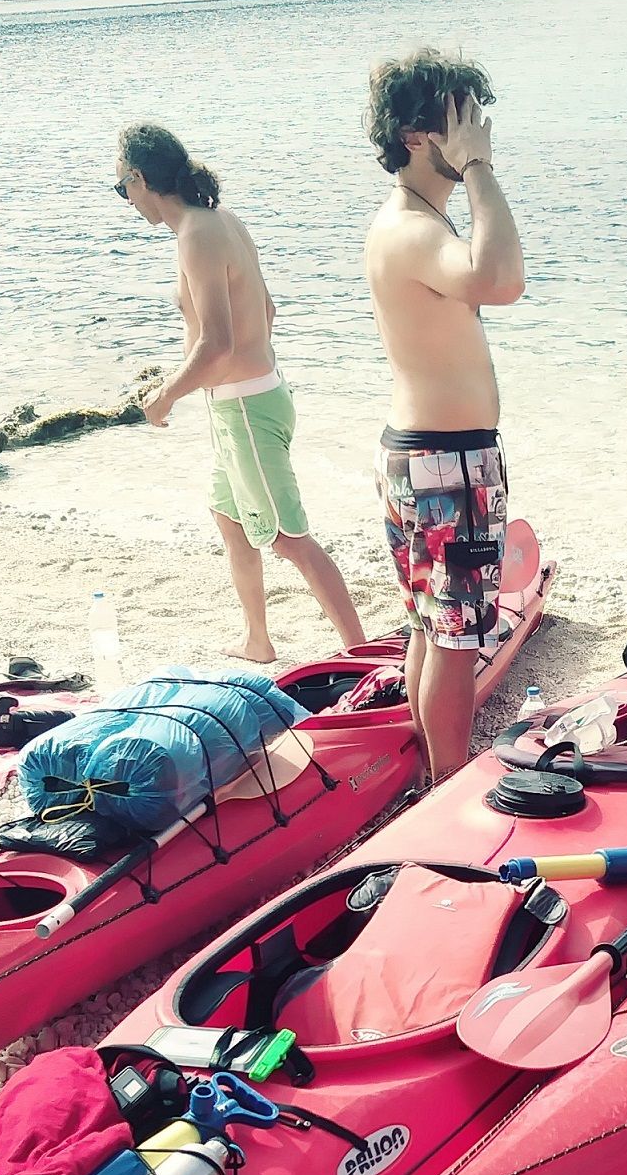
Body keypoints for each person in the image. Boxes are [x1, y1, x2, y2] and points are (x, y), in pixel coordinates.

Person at [116, 121, 364, 664]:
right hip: (249, 400)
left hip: (247, 408)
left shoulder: (195, 236)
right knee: (230, 519)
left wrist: (165, 396)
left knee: (287, 536)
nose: (127, 201)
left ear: (140, 178)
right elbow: (267, 312)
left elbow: (217, 344)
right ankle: (258, 639)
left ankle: (361, 651)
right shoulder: (220, 220)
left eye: (122, 188)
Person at [363, 50, 526, 782]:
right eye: (462, 119)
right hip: (445, 460)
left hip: (426, 453)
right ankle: (448, 787)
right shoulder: (415, 230)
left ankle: (433, 776)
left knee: (433, 627)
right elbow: (502, 280)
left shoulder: (411, 224)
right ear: (417, 136)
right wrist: (483, 171)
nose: (478, 132)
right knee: (454, 636)